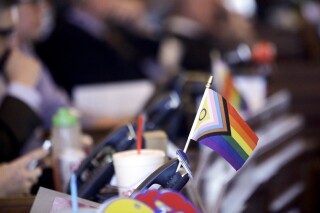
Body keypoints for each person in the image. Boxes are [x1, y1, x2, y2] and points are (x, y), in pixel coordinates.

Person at [36, 0, 147, 95]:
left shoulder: (113, 26)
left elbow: (147, 61)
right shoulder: (62, 36)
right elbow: (102, 83)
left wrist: (139, 26)